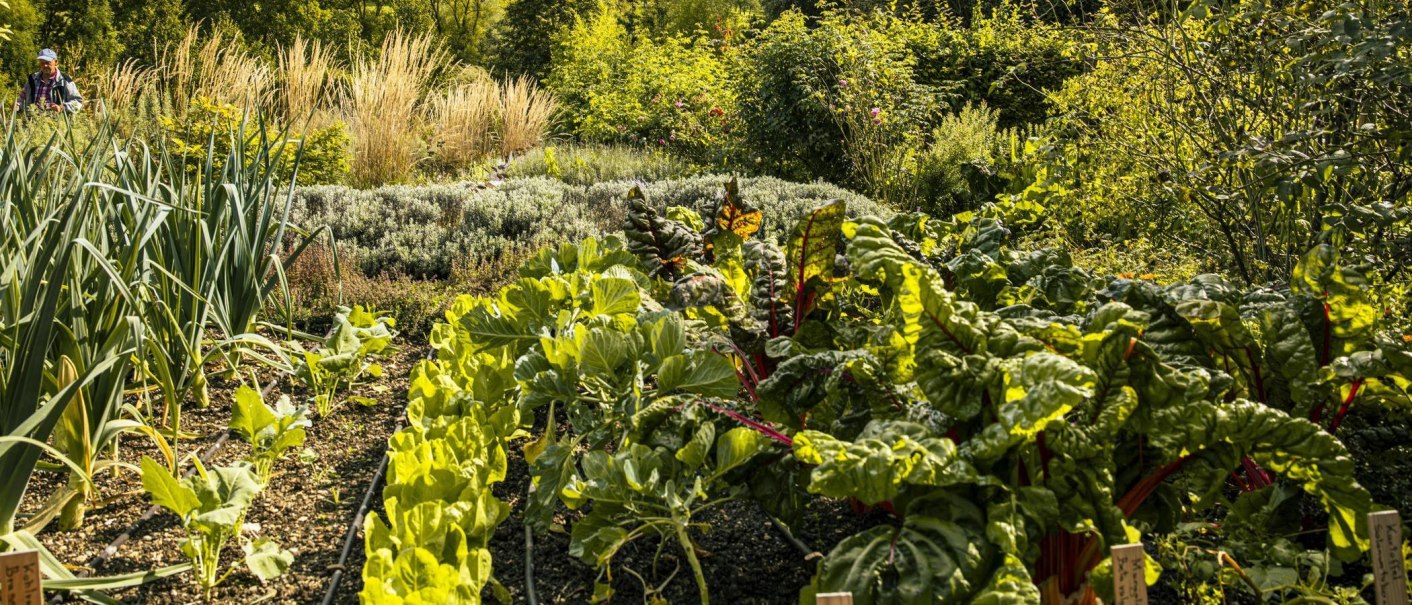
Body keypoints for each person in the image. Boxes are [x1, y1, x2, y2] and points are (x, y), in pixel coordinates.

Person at [16, 48, 83, 114]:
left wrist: (61, 108)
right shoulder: (32, 79)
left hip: (55, 120)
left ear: (56, 62)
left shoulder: (64, 81)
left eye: (48, 62)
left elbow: (78, 102)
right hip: (32, 119)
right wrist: (18, 106)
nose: (45, 65)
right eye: (42, 63)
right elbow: (22, 98)